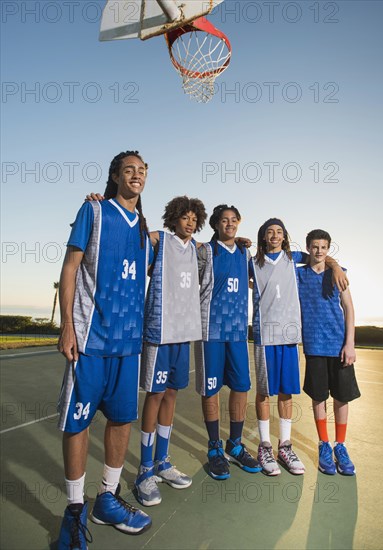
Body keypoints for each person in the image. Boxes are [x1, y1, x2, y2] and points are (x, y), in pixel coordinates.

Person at [57, 151, 152, 549]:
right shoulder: (94, 212)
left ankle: (107, 498)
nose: (136, 176)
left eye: (142, 171)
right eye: (128, 170)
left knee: (121, 420)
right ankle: (75, 511)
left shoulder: (147, 232)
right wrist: (66, 327)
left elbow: (190, 244)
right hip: (90, 338)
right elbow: (70, 268)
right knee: (78, 423)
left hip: (128, 344)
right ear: (115, 176)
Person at [250, 219, 348, 476]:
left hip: (290, 335)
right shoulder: (252, 262)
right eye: (270, 232)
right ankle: (264, 445)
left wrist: (336, 265)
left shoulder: (293, 258)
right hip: (265, 334)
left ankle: (284, 445)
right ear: (263, 237)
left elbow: (321, 258)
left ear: (284, 237)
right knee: (264, 392)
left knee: (285, 392)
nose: (274, 235)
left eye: (279, 232)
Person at [134, 196, 207, 506]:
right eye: (184, 217)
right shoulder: (159, 240)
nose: (189, 222)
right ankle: (144, 469)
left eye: (194, 218)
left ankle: (162, 462)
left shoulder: (199, 249)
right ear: (174, 218)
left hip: (184, 332)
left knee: (173, 394)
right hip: (159, 331)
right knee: (155, 394)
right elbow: (137, 237)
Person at [195, 204, 261, 480]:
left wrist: (330, 262)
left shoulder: (246, 253)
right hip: (210, 330)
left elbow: (283, 255)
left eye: (234, 220)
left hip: (236, 333)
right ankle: (214, 447)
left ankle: (234, 443)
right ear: (215, 224)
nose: (230, 224)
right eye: (224, 220)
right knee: (210, 389)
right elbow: (183, 276)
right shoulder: (206, 251)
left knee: (241, 386)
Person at [297, 229, 360, 475]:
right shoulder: (299, 274)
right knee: (318, 396)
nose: (319, 251)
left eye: (323, 247)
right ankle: (324, 444)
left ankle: (340, 446)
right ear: (308, 248)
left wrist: (350, 343)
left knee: (342, 397)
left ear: (328, 249)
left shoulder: (339, 274)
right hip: (314, 345)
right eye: (314, 246)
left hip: (339, 345)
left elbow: (349, 307)